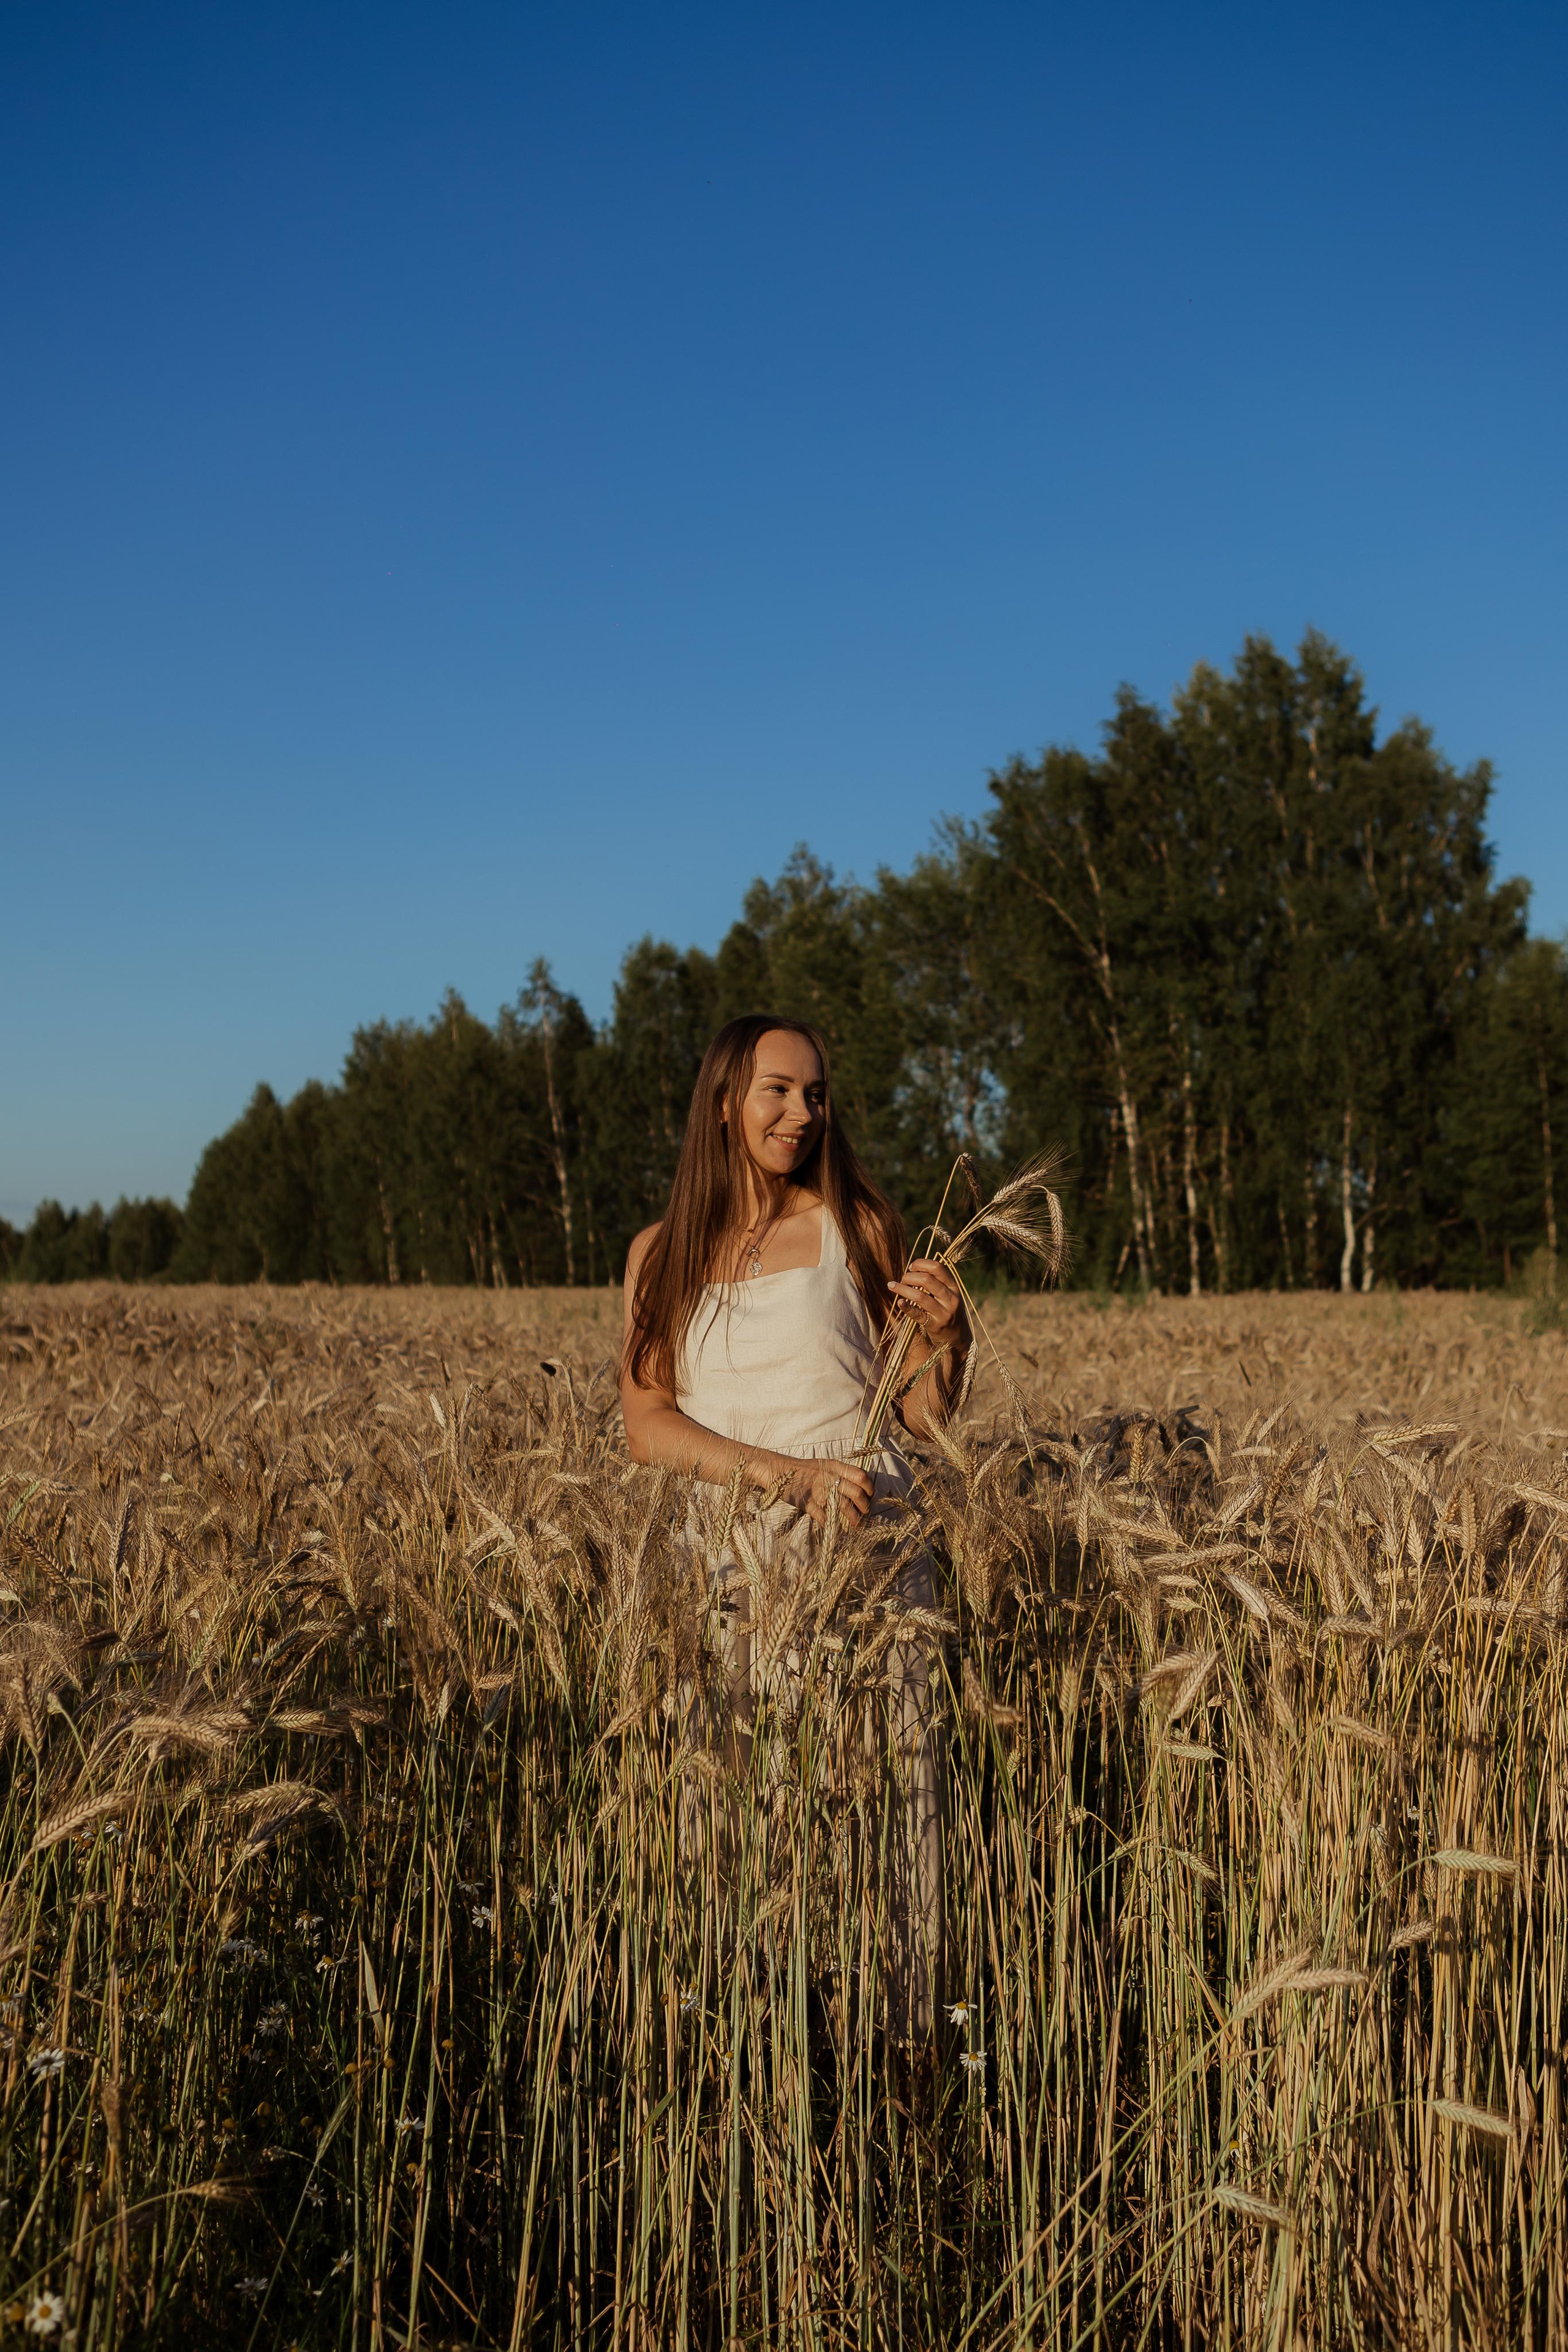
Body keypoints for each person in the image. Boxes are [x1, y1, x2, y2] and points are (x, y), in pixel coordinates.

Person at [620, 1012, 968, 2030]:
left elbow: (921, 1417)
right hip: (729, 1579)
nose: (801, 1112)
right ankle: (754, 2054)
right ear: (726, 1100)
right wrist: (784, 1476)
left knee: (886, 1815)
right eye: (778, 1090)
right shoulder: (660, 1254)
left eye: (816, 1094)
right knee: (737, 1822)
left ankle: (894, 2062)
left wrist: (951, 1340)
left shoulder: (859, 1225)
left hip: (865, 1565)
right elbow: (647, 1425)